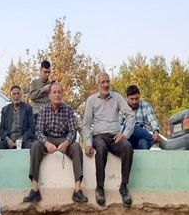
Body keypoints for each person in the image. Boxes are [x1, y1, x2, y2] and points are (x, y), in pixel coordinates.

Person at [23, 82, 88, 204]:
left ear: (62, 94)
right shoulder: (43, 109)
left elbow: (73, 131)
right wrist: (47, 143)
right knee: (35, 146)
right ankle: (34, 190)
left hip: (63, 139)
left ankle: (78, 190)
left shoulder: (68, 110)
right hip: (48, 139)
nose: (57, 95)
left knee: (76, 147)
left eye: (59, 92)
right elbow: (39, 131)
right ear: (49, 96)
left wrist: (67, 143)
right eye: (54, 92)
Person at [83, 72, 135, 206]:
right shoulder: (91, 100)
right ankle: (100, 188)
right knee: (101, 148)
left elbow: (130, 115)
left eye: (107, 81)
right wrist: (88, 143)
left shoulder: (117, 98)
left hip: (115, 137)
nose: (106, 85)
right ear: (97, 84)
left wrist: (125, 134)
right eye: (103, 82)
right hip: (99, 136)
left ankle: (124, 186)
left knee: (128, 147)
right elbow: (86, 124)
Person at [122, 85, 162, 150]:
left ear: (139, 97)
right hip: (127, 137)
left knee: (144, 144)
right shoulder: (122, 108)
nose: (134, 102)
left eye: (136, 99)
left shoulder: (146, 106)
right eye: (132, 99)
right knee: (131, 126)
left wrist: (156, 132)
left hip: (142, 137)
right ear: (127, 98)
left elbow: (153, 120)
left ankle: (152, 139)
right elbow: (119, 126)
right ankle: (154, 139)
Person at [0, 85, 35, 149]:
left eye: (18, 94)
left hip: (24, 140)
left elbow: (31, 128)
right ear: (11, 95)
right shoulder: (5, 110)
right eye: (14, 94)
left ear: (21, 95)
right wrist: (7, 140)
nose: (16, 96)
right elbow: (1, 130)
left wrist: (22, 139)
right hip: (9, 140)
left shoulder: (28, 108)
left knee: (31, 146)